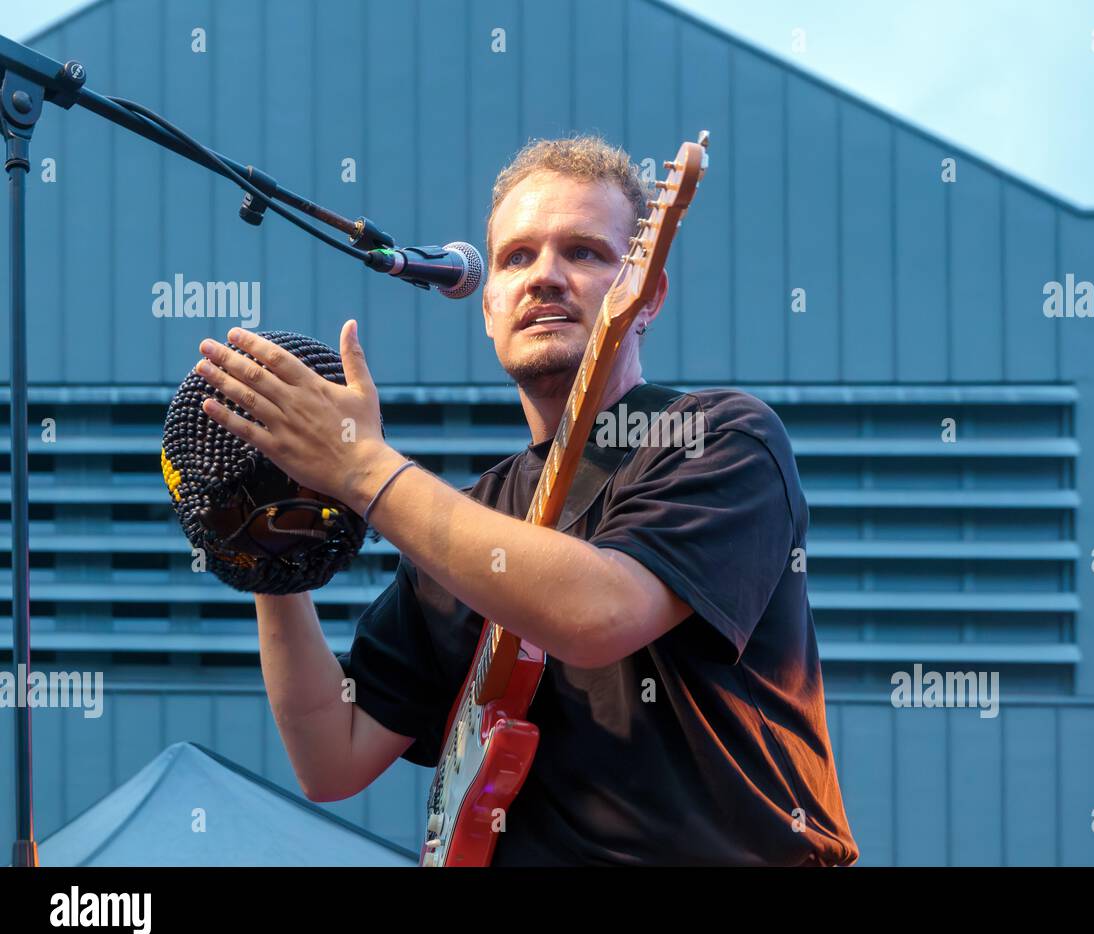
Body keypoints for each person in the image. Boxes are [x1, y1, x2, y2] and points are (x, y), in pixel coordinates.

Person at [195, 135, 858, 866]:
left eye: (584, 252)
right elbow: (331, 754)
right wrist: (267, 554)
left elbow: (598, 613)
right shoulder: (468, 521)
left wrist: (364, 470)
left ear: (648, 294)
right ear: (488, 307)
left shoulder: (718, 437)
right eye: (516, 257)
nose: (545, 277)